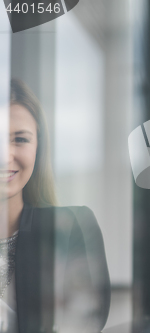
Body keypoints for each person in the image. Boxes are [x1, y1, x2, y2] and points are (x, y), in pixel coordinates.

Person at [0, 78, 110, 332]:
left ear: (39, 147)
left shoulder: (70, 228)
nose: (6, 156)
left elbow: (84, 322)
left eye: (20, 139)